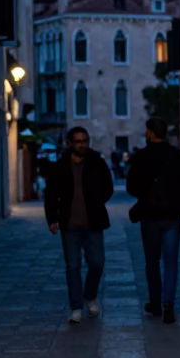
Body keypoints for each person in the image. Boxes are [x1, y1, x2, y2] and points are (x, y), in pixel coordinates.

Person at [126, 118, 180, 324]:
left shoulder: (141, 157)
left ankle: (155, 302)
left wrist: (147, 193)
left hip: (150, 217)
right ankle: (168, 302)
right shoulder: (178, 156)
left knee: (152, 261)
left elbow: (131, 187)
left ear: (150, 133)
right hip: (173, 216)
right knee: (171, 262)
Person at [44, 126, 114, 324]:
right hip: (69, 225)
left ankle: (90, 295)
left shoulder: (97, 163)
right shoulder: (60, 167)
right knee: (72, 266)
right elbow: (51, 195)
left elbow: (108, 187)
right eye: (78, 141)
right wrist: (52, 219)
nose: (82, 144)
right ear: (69, 143)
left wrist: (96, 200)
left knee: (97, 263)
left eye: (85, 140)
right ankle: (76, 307)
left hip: (93, 223)